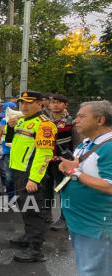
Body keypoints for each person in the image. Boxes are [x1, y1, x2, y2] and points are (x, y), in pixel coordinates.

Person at [58, 100, 112, 276]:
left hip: (96, 226)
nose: (75, 120)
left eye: (82, 116)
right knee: (86, 268)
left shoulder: (109, 147)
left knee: (94, 271)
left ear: (100, 120)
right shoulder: (86, 143)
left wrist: (75, 171)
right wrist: (71, 167)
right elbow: (81, 169)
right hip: (81, 223)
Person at [5, 91, 57, 262]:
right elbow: (10, 140)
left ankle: (35, 250)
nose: (24, 106)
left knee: (34, 210)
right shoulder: (21, 120)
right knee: (25, 207)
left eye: (29, 102)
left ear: (40, 104)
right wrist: (10, 127)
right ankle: (28, 237)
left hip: (31, 174)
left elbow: (44, 154)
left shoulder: (44, 125)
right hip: (19, 171)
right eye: (22, 103)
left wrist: (34, 178)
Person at [47, 94, 74, 230]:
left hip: (63, 163)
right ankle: (47, 215)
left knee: (64, 190)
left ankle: (65, 218)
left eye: (58, 102)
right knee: (46, 189)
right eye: (53, 102)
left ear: (65, 105)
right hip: (46, 162)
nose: (55, 105)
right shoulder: (44, 121)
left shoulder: (71, 122)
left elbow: (76, 143)